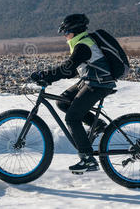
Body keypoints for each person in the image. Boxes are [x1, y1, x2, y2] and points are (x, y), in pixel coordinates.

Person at [30, 13, 116, 173]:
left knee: (72, 118)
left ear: (74, 31)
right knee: (63, 101)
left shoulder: (83, 46)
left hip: (99, 84)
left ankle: (87, 159)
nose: (64, 36)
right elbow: (71, 71)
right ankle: (97, 125)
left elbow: (67, 68)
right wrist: (50, 76)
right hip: (90, 81)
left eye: (65, 32)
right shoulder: (82, 44)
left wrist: (46, 75)